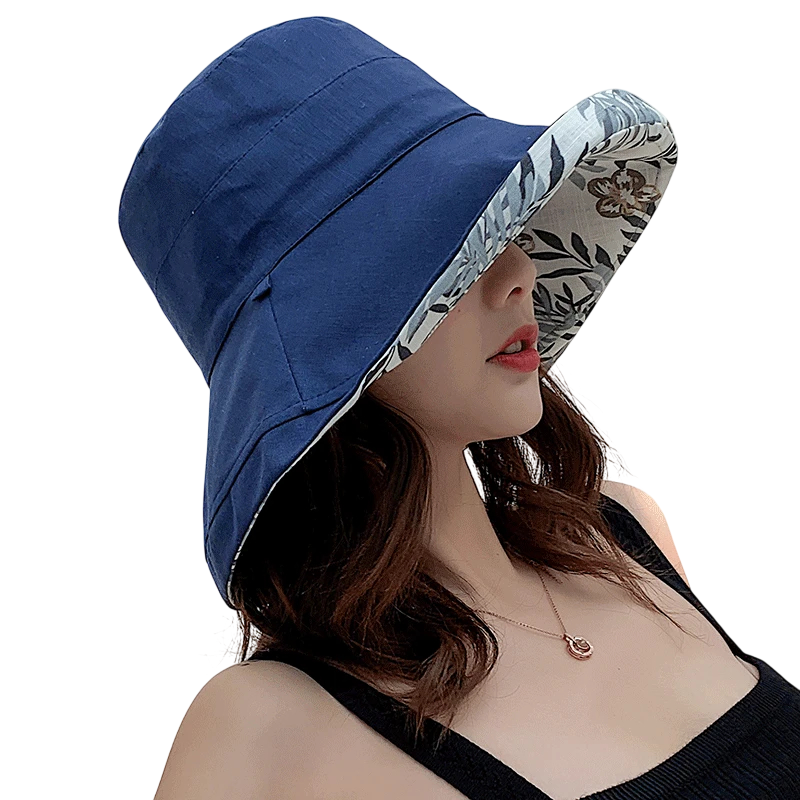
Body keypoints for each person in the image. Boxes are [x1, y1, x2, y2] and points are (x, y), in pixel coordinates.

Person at [118, 17, 800, 800]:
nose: (518, 272)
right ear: (320, 342)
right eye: (446, 253)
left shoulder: (626, 537)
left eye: (501, 221)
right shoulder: (257, 730)